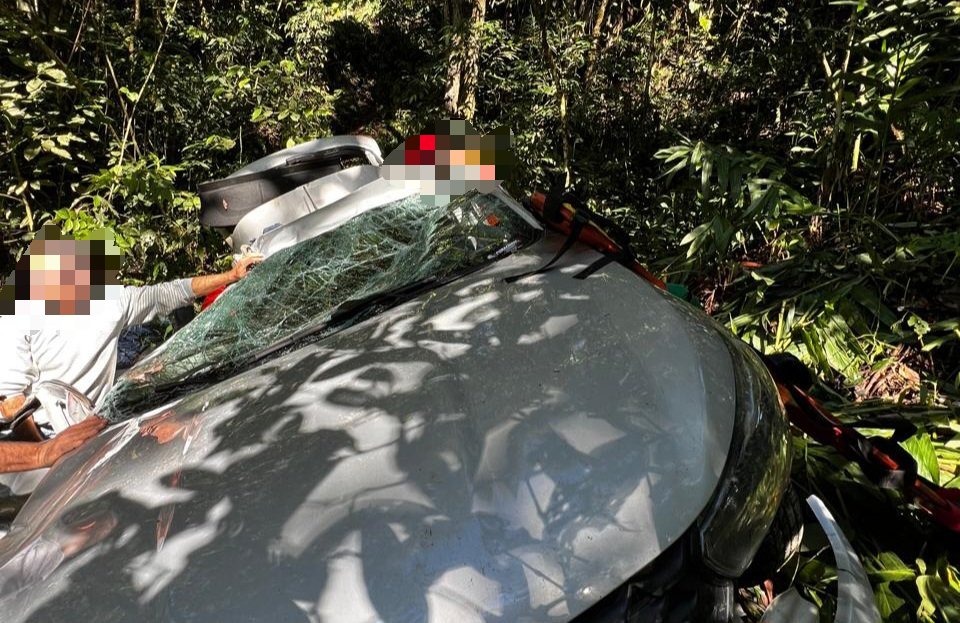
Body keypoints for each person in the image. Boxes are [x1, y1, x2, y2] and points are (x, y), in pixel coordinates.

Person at [0, 227, 262, 426]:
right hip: (42, 436)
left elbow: (168, 293)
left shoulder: (108, 303)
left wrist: (230, 276)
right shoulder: (18, 317)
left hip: (91, 429)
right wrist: (46, 453)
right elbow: (11, 405)